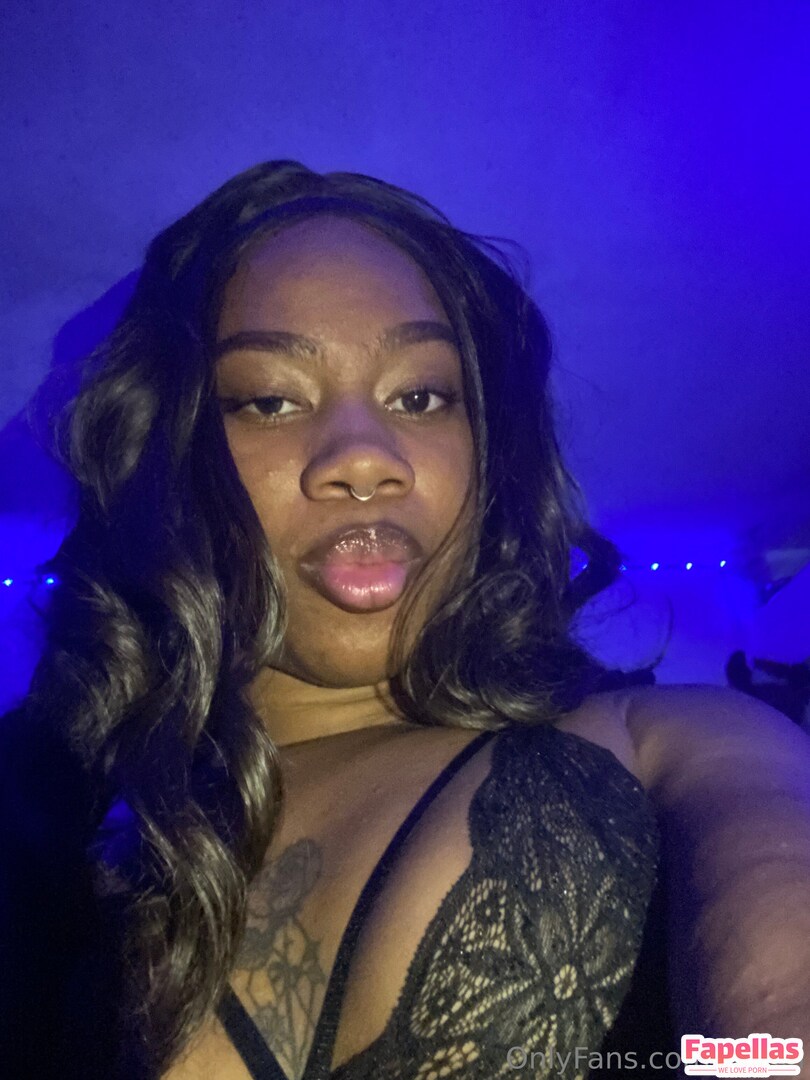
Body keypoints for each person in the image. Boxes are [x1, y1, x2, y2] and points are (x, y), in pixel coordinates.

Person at [1, 161, 809, 1080]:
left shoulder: (680, 741)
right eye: (270, 399)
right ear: (171, 458)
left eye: (420, 397)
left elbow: (782, 1003)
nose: (363, 458)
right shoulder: (46, 806)